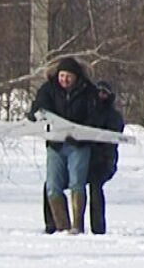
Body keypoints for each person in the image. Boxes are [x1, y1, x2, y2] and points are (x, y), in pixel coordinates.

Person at [27, 57, 96, 234]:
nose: (64, 80)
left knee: (76, 183)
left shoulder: (88, 91)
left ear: (76, 77)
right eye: (62, 75)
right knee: (53, 185)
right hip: (55, 145)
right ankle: (61, 225)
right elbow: (38, 108)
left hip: (79, 145)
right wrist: (36, 116)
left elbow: (94, 116)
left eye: (69, 76)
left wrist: (80, 133)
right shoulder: (48, 89)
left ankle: (76, 226)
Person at [86, 80, 124, 234]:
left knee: (96, 187)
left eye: (104, 93)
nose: (101, 95)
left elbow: (112, 140)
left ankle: (98, 229)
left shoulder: (113, 116)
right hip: (86, 158)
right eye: (99, 92)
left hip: (104, 161)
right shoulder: (87, 112)